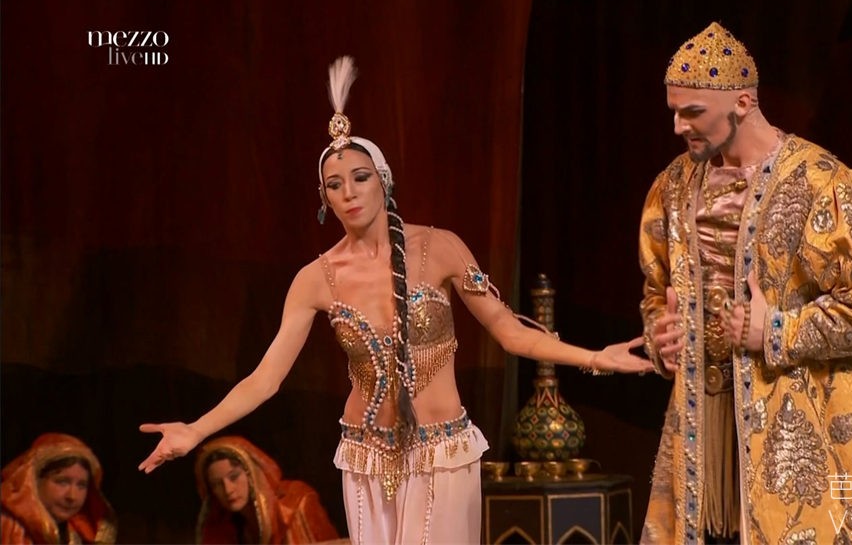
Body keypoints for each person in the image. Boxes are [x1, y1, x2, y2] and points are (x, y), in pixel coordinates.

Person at [138, 55, 653, 545]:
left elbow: (510, 333)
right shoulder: (315, 279)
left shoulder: (440, 247)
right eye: (334, 185)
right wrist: (195, 430)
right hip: (364, 460)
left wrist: (596, 357)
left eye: (360, 178)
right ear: (324, 198)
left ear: (383, 180)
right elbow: (265, 379)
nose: (349, 192)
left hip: (442, 455)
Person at [638, 22, 852, 545]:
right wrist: (662, 332)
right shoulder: (673, 186)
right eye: (674, 111)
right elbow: (656, 290)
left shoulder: (822, 182)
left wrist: (777, 330)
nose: (678, 126)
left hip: (799, 424)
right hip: (700, 429)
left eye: (692, 112)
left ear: (743, 103)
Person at [193, 436, 340, 544]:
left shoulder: (296, 503)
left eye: (234, 477)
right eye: (216, 484)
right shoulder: (220, 527)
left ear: (252, 473)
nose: (228, 489)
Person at [1, 433, 117, 544]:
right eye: (62, 482)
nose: (72, 496)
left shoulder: (75, 531)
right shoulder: (9, 527)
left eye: (81, 485)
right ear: (34, 481)